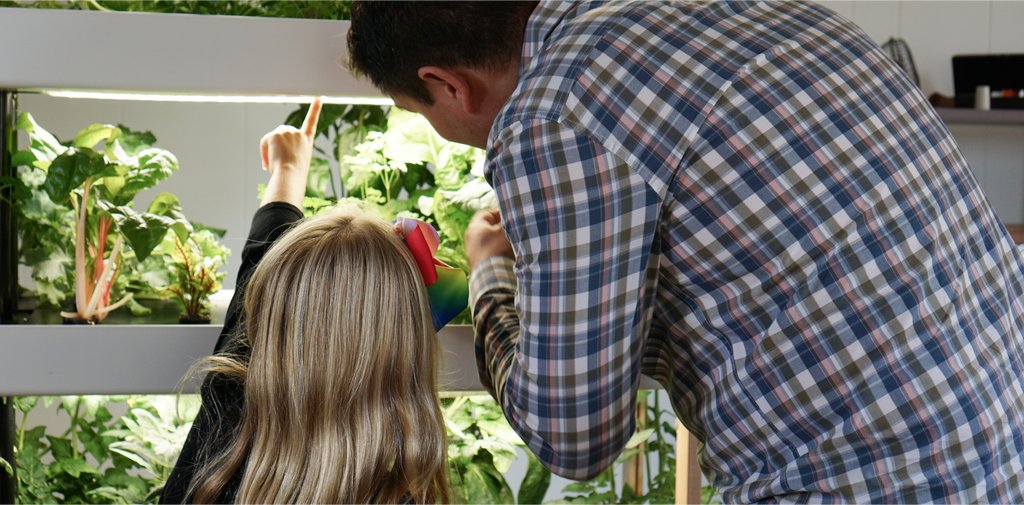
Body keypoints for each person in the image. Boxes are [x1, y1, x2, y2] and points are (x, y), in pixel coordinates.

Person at [347, 0, 1024, 503]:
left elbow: (573, 434)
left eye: (419, 110)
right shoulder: (771, 13)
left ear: (447, 84)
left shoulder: (554, 114)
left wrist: (491, 272)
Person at [160, 99, 461, 505]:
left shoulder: (219, 445)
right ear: (400, 351)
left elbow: (254, 277)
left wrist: (286, 172)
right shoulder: (393, 495)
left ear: (267, 323)